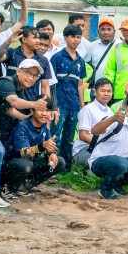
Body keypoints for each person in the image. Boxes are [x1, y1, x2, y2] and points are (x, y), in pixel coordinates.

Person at [2, 107, 65, 195]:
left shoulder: (44, 127)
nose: (44, 113)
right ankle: (9, 188)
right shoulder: (22, 126)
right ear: (32, 111)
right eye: (40, 110)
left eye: (47, 111)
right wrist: (41, 146)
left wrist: (52, 153)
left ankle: (26, 186)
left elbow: (49, 145)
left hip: (29, 164)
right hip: (11, 166)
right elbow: (23, 153)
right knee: (26, 164)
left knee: (59, 162)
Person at [50, 24, 86, 169]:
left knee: (69, 138)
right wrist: (53, 105)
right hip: (59, 104)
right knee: (55, 136)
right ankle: (52, 166)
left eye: (78, 37)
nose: (75, 40)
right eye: (72, 37)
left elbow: (80, 85)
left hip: (74, 105)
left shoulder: (80, 61)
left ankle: (66, 167)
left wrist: (82, 106)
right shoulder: (57, 57)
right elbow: (50, 83)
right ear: (65, 38)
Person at [74, 78, 114, 169]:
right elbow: (83, 135)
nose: (106, 94)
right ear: (95, 92)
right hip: (84, 151)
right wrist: (102, 146)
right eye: (103, 91)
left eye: (109, 91)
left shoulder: (110, 111)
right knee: (109, 163)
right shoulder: (88, 109)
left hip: (102, 149)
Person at [85, 17, 119, 91]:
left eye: (109, 29)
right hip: (97, 91)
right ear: (98, 31)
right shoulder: (92, 46)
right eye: (103, 29)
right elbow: (86, 67)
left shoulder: (120, 45)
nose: (106, 32)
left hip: (117, 90)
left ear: (114, 31)